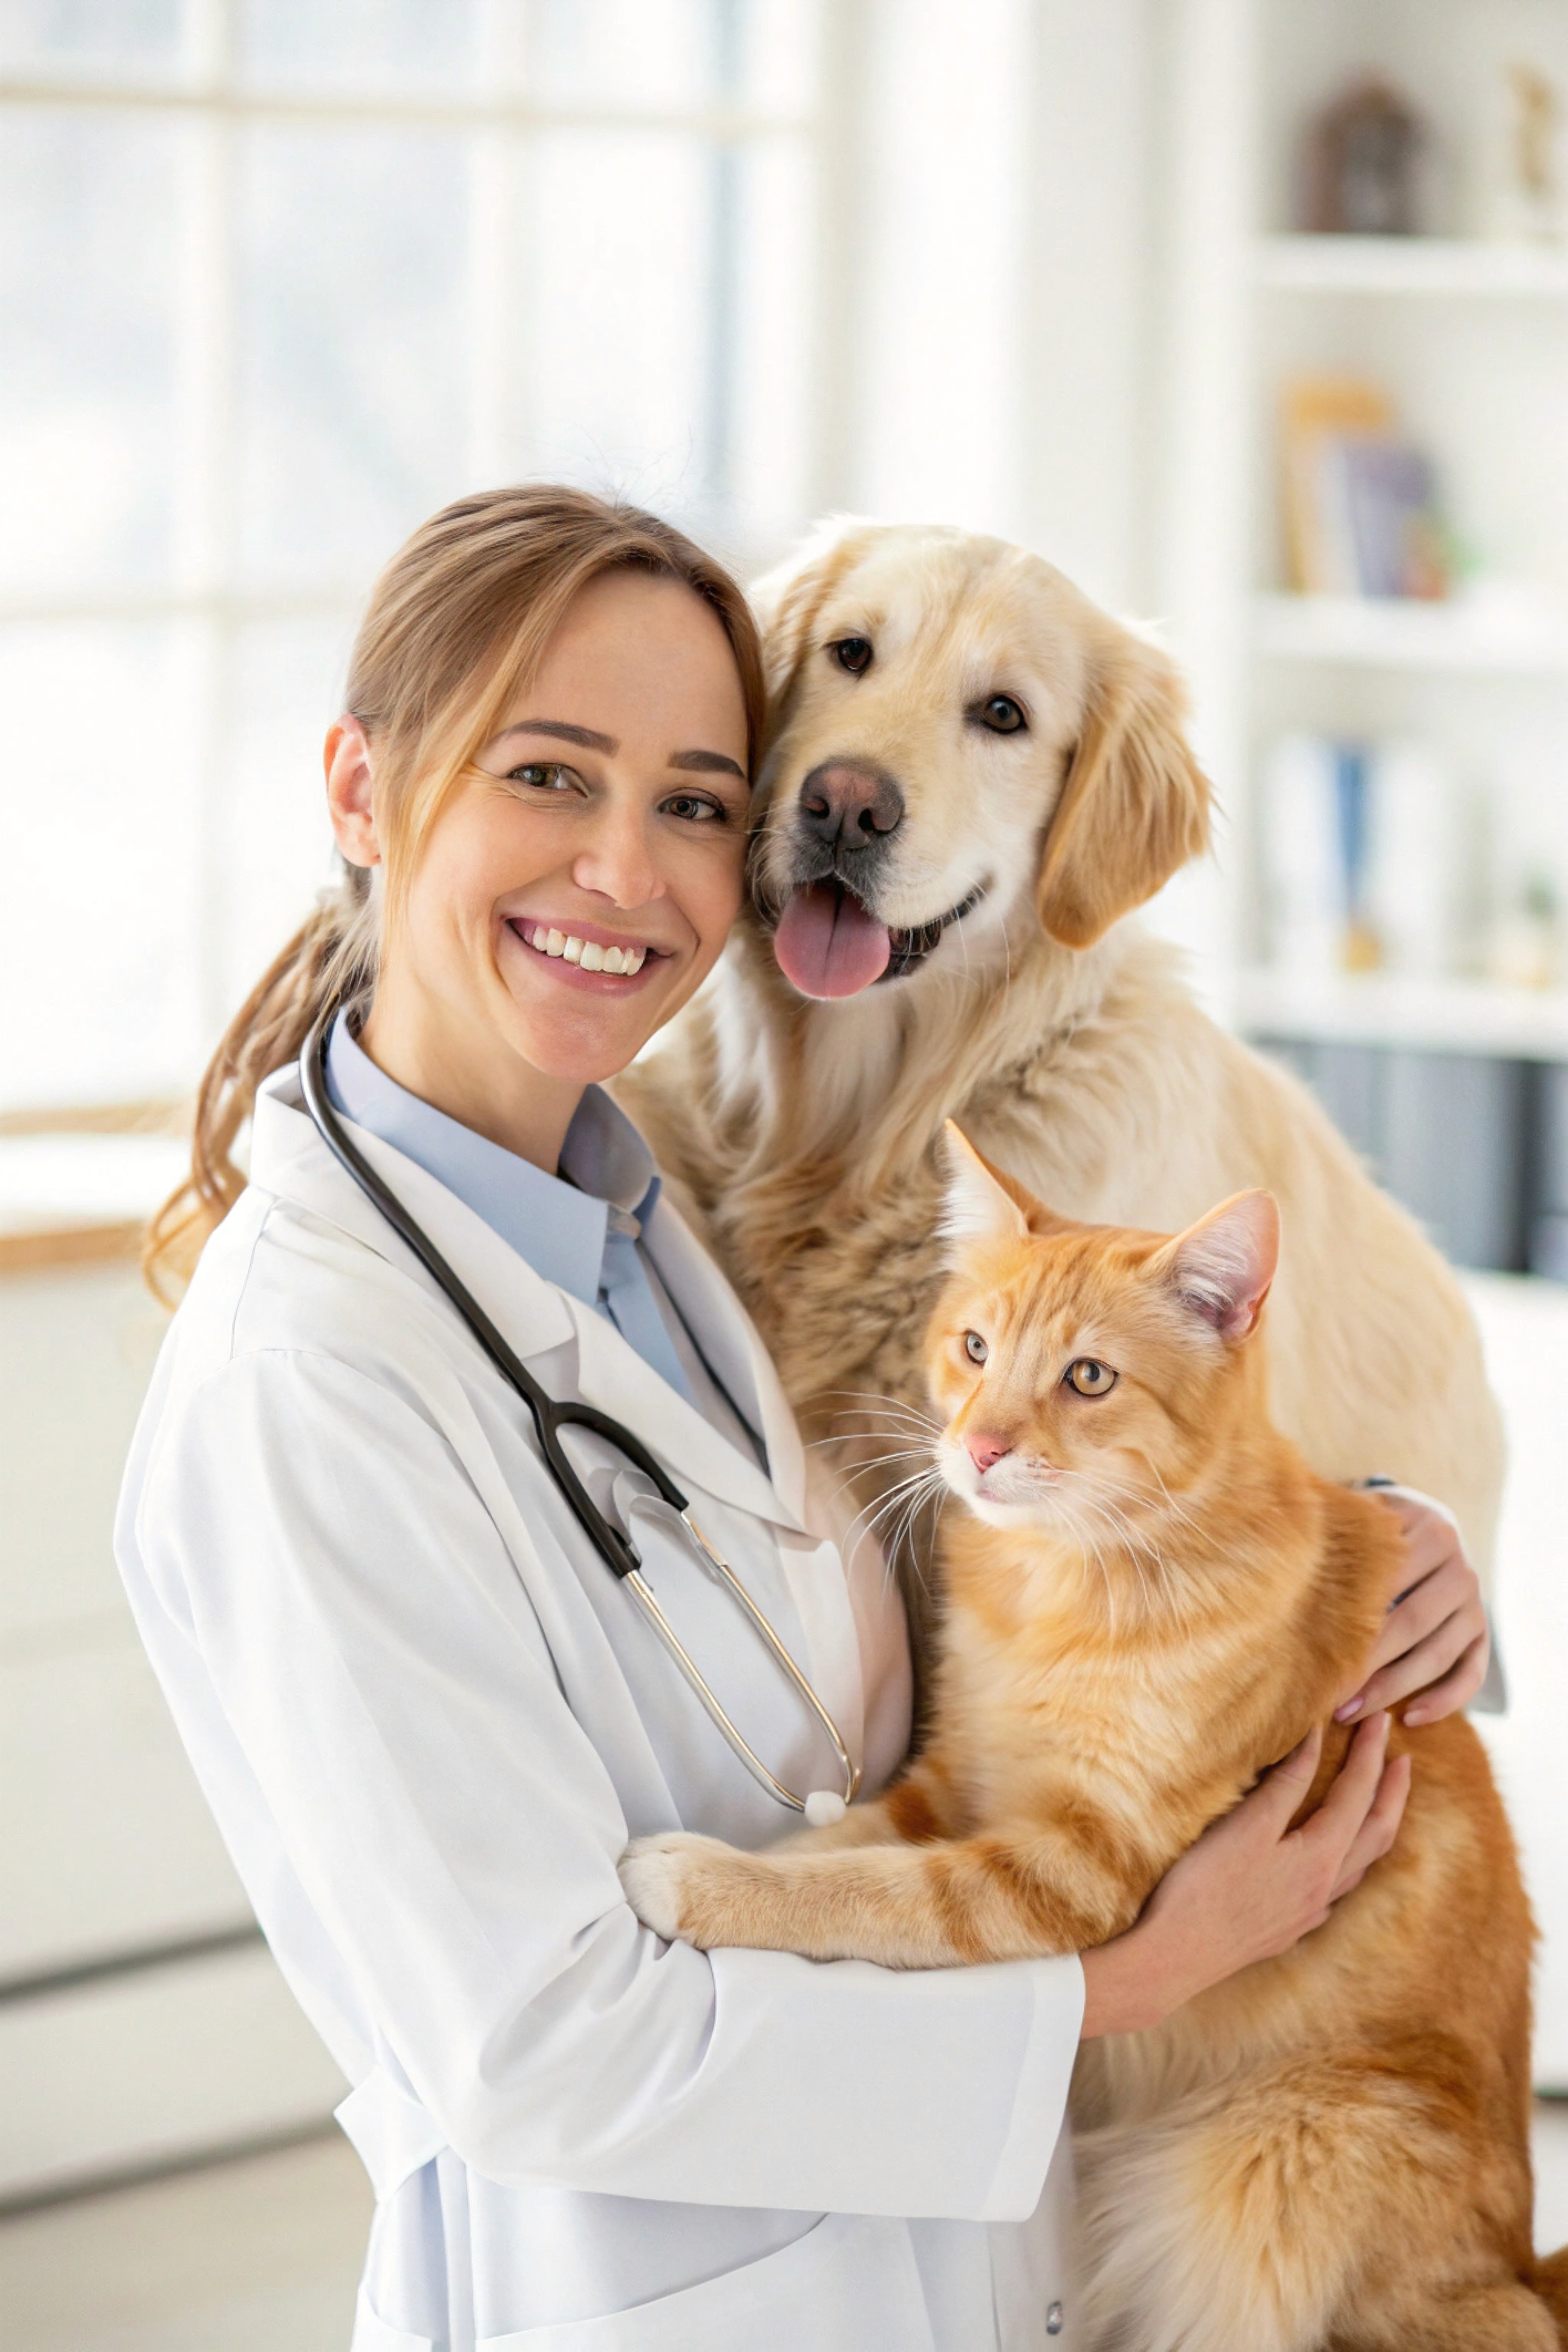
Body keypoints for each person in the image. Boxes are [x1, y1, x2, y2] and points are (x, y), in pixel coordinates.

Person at [120, 486, 1491, 2352]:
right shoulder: (315, 1384)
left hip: (991, 2250)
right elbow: (543, 2050)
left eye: (693, 798)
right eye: (548, 775)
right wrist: (1131, 1973)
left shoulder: (646, 1219)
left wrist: (1385, 1550)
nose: (629, 870)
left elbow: (1037, 1601)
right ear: (361, 791)